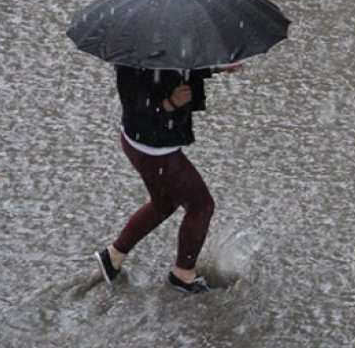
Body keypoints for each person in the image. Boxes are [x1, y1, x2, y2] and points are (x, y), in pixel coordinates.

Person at [94, 61, 244, 293]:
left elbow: (175, 69)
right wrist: (170, 103)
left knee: (163, 203)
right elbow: (138, 107)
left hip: (140, 143)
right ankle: (183, 274)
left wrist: (215, 68)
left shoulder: (155, 52)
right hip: (154, 150)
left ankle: (113, 256)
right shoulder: (134, 63)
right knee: (201, 205)